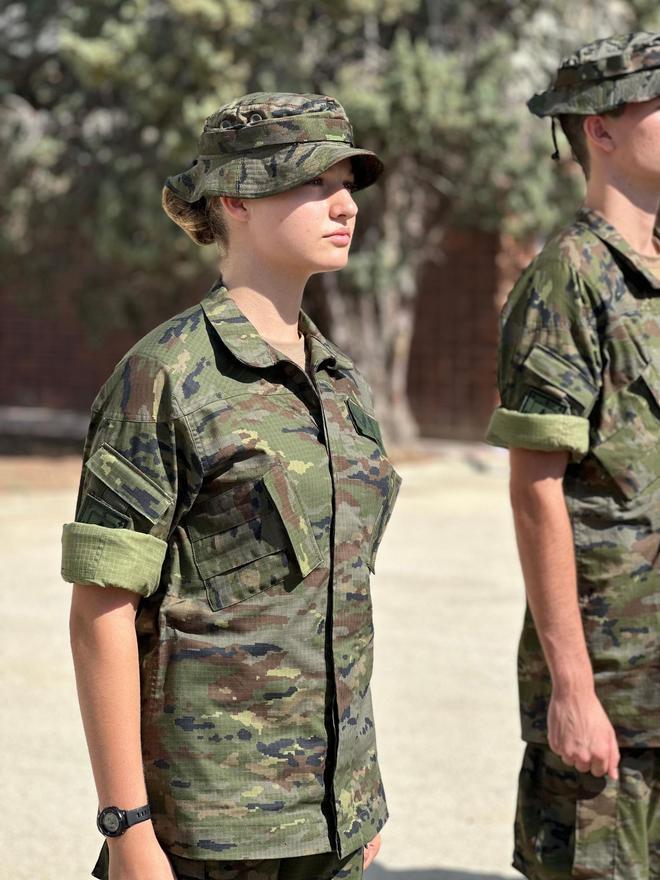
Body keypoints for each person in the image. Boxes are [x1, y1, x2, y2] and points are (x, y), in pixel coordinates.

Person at [61, 92, 402, 880]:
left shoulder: (340, 383)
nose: (344, 204)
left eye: (348, 182)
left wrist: (356, 796)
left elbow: (336, 604)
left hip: (332, 825)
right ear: (235, 200)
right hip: (208, 831)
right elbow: (101, 609)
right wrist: (128, 828)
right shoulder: (166, 375)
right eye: (313, 182)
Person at [486, 32, 660, 879]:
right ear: (601, 129)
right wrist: (573, 689)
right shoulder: (570, 279)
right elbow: (536, 492)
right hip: (619, 702)